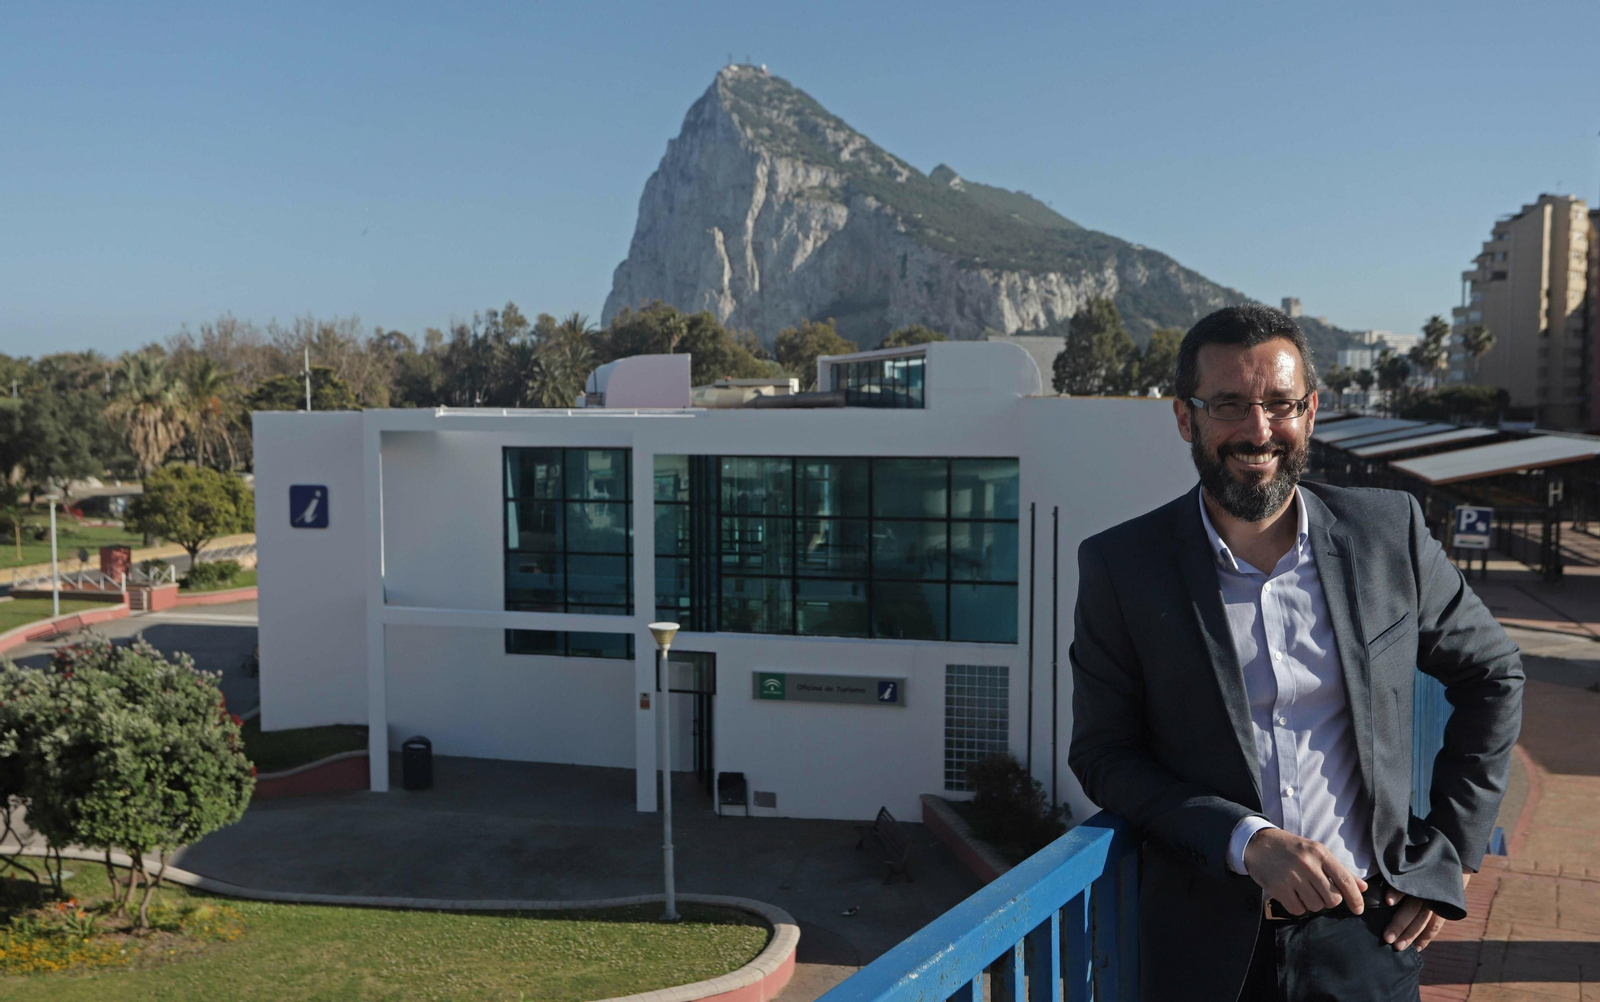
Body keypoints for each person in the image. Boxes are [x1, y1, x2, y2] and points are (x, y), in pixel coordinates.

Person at [1068, 305, 1523, 1001]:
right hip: (1207, 950)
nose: (1258, 431)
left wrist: (1453, 854)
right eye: (1228, 405)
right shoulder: (1122, 566)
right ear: (1186, 418)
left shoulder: (1388, 533)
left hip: (1370, 936)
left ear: (1310, 412)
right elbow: (1104, 753)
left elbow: (1492, 672)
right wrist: (1245, 839)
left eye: (1280, 404)